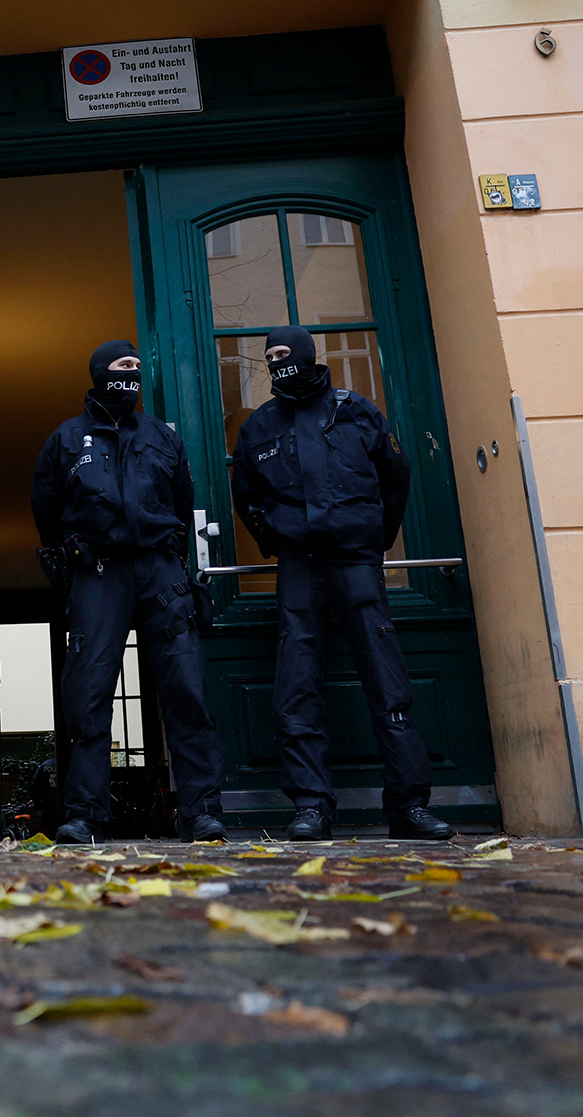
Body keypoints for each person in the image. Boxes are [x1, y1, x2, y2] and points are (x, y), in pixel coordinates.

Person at [230, 325, 454, 842]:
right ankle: (311, 806)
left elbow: (395, 475)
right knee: (296, 684)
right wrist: (275, 538)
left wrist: (374, 537)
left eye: (286, 352)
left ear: (309, 355)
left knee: (387, 681)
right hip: (300, 567)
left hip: (356, 563)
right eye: (271, 356)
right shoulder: (259, 425)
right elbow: (246, 495)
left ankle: (409, 806)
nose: (278, 361)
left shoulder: (356, 410)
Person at [32, 340, 226, 845]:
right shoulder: (67, 439)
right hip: (99, 571)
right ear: (99, 372)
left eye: (138, 368)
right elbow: (46, 509)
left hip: (161, 570)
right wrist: (71, 557)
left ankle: (201, 812)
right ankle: (85, 815)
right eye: (122, 366)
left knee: (184, 688)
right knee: (89, 692)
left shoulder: (162, 436)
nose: (131, 375)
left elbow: (183, 500)